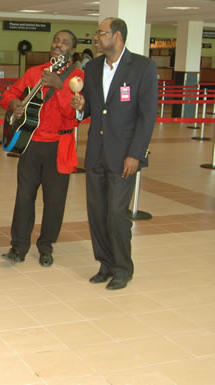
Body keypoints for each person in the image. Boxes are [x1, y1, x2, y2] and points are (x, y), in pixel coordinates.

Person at [71, 17, 157, 290]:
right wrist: (80, 106)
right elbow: (92, 110)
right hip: (96, 153)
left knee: (116, 214)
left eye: (101, 33)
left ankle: (123, 268)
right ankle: (105, 264)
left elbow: (147, 117)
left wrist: (136, 153)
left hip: (124, 156)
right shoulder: (93, 67)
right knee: (97, 212)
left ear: (117, 36)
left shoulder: (142, 67)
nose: (96, 38)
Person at [0, 30, 84, 267]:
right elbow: (9, 94)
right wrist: (13, 103)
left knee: (54, 201)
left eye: (65, 42)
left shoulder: (76, 77)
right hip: (31, 144)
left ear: (73, 50)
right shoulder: (34, 72)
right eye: (57, 40)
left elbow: (74, 116)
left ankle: (46, 246)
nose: (59, 44)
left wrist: (60, 87)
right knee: (24, 198)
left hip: (59, 147)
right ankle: (18, 246)